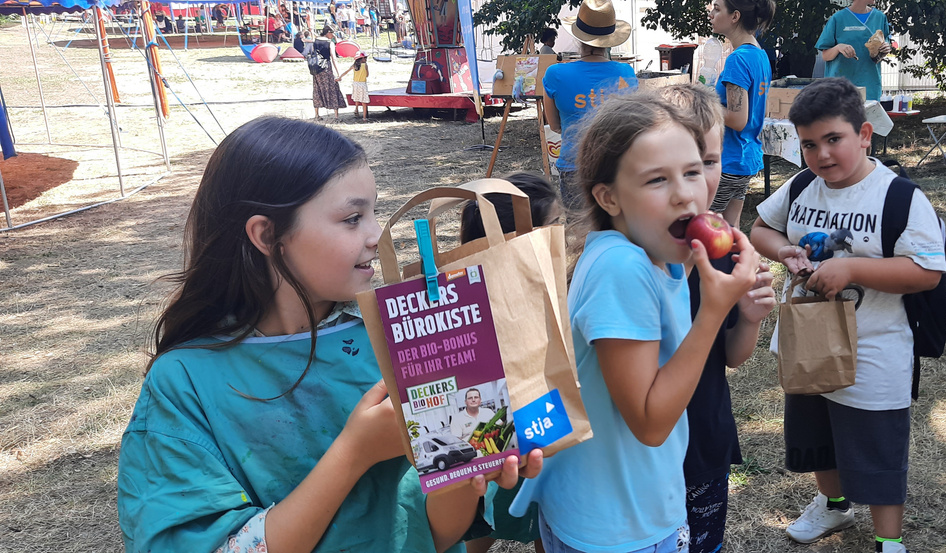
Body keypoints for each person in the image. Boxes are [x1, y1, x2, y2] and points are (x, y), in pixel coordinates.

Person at [116, 116, 543, 553]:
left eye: (374, 213)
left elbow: (431, 535)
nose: (377, 235)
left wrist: (468, 470)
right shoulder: (183, 383)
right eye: (353, 218)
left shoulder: (397, 341)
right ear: (267, 235)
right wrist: (354, 453)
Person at [510, 92, 759, 552]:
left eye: (694, 170)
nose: (687, 192)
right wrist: (713, 312)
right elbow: (649, 422)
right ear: (608, 197)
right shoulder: (622, 270)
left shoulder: (651, 257)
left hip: (616, 508)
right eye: (656, 180)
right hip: (617, 527)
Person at [748, 78, 946, 553]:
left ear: (864, 135)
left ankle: (888, 540)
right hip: (809, 339)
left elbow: (925, 272)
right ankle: (833, 504)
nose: (821, 155)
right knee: (817, 429)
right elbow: (759, 229)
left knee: (877, 442)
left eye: (833, 139)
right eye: (809, 144)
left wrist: (853, 268)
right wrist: (787, 251)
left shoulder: (898, 197)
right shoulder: (801, 186)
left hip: (874, 345)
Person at [656, 83, 776, 553]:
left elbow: (730, 356)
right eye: (670, 170)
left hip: (704, 439)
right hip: (647, 450)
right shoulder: (633, 261)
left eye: (707, 163)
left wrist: (747, 318)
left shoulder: (723, 251)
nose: (695, 184)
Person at [459, 172, 560, 553]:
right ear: (519, 240)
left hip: (498, 425)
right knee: (510, 502)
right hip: (524, 418)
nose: (559, 235)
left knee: (512, 505)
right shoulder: (533, 288)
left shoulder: (461, 287)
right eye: (552, 226)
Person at [542, 0, 638, 210]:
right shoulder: (626, 73)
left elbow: (555, 125)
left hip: (573, 163)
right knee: (615, 229)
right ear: (610, 40)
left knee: (578, 230)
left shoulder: (555, 74)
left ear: (579, 38)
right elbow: (631, 122)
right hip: (616, 165)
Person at [708, 0, 774, 229]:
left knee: (706, 230)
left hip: (728, 160)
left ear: (735, 16)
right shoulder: (759, 55)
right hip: (745, 159)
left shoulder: (738, 59)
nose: (711, 12)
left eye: (717, 8)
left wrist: (703, 104)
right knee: (730, 232)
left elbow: (737, 119)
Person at [815, 0, 893, 102]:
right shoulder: (838, 18)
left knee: (867, 116)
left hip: (869, 85)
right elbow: (825, 56)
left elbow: (882, 47)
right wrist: (838, 47)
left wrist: (885, 49)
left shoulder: (880, 18)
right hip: (840, 89)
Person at [312, 26, 347, 120]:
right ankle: (336, 116)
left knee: (317, 89)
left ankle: (316, 115)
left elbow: (312, 54)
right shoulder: (329, 43)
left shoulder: (315, 41)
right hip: (326, 67)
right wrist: (338, 72)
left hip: (316, 69)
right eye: (332, 33)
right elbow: (333, 58)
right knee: (332, 89)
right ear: (328, 32)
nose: (333, 36)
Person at [339, 51, 371, 120]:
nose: (366, 59)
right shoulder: (365, 65)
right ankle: (364, 118)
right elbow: (367, 75)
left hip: (355, 84)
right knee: (364, 101)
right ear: (362, 58)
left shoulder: (354, 66)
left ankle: (356, 109)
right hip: (362, 84)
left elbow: (346, 72)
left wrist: (340, 77)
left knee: (357, 97)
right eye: (365, 58)